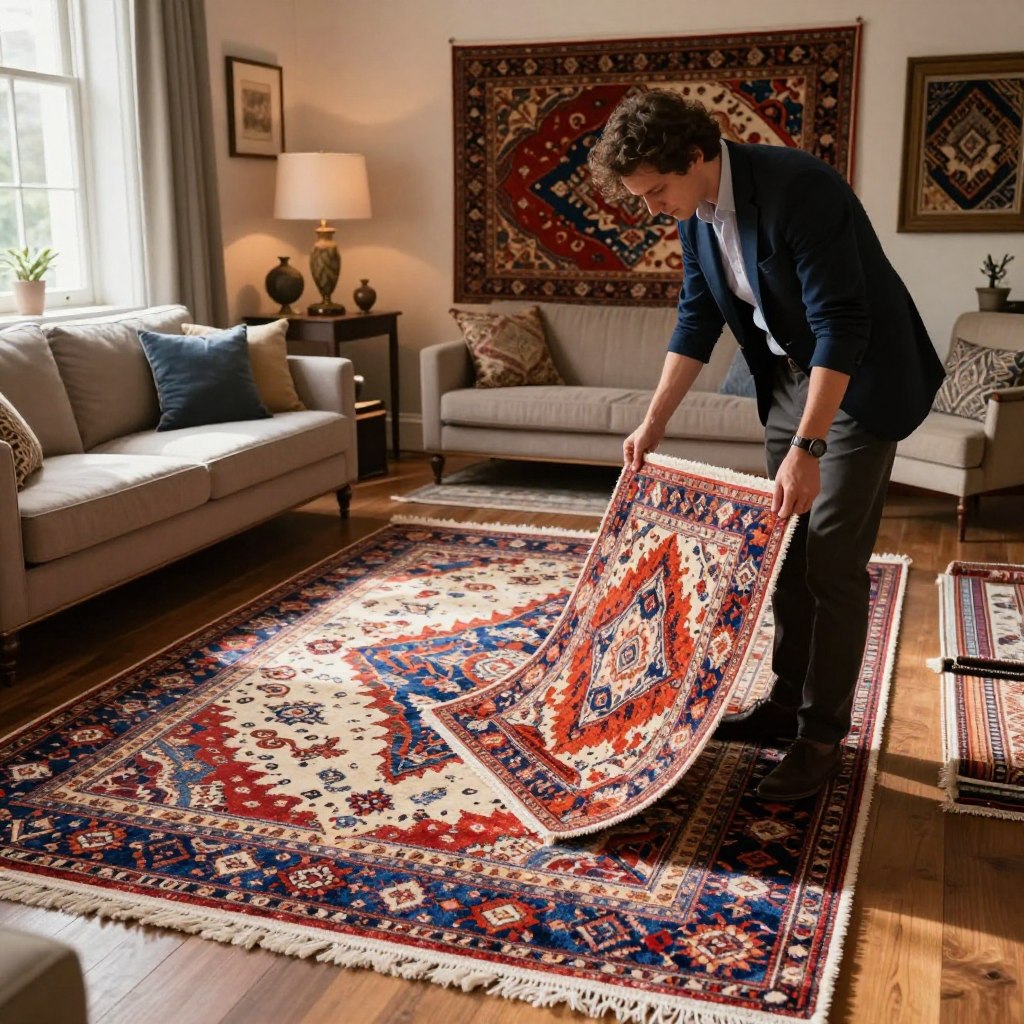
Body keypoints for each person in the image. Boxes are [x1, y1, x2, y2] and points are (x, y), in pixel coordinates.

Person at [587, 89, 944, 801]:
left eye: (658, 191)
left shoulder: (799, 190)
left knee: (832, 563)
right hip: (786, 378)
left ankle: (820, 739)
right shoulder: (694, 215)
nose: (653, 208)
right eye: (642, 198)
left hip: (857, 380)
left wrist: (807, 451)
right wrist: (652, 423)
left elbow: (844, 323)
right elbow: (696, 318)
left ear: (695, 155)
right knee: (786, 552)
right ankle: (784, 705)